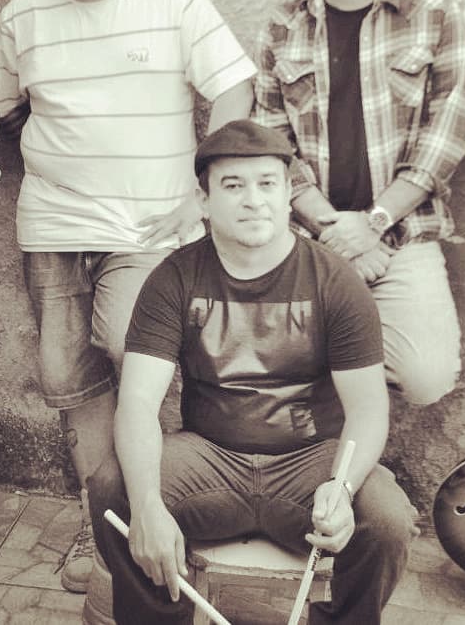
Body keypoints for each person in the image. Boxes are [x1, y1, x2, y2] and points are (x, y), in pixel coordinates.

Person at [0, 0, 255, 592]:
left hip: (146, 232)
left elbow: (233, 86)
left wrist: (204, 189)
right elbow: (1, 108)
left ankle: (158, 510)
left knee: (131, 354)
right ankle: (100, 517)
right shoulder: (22, 16)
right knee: (70, 380)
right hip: (52, 229)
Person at [87, 119, 418, 624]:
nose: (253, 200)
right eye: (233, 185)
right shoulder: (174, 278)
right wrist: (148, 505)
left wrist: (344, 487)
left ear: (287, 195)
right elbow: (137, 401)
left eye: (267, 183)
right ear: (204, 201)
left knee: (388, 518)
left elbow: (369, 407)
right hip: (211, 460)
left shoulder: (335, 281)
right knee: (114, 487)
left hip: (310, 467)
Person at [253, 0, 465, 408]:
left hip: (402, 235)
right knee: (279, 374)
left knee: (427, 377)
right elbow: (273, 146)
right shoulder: (282, 25)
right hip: (310, 237)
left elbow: (445, 138)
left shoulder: (432, 15)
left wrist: (373, 224)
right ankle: (337, 452)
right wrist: (336, 232)